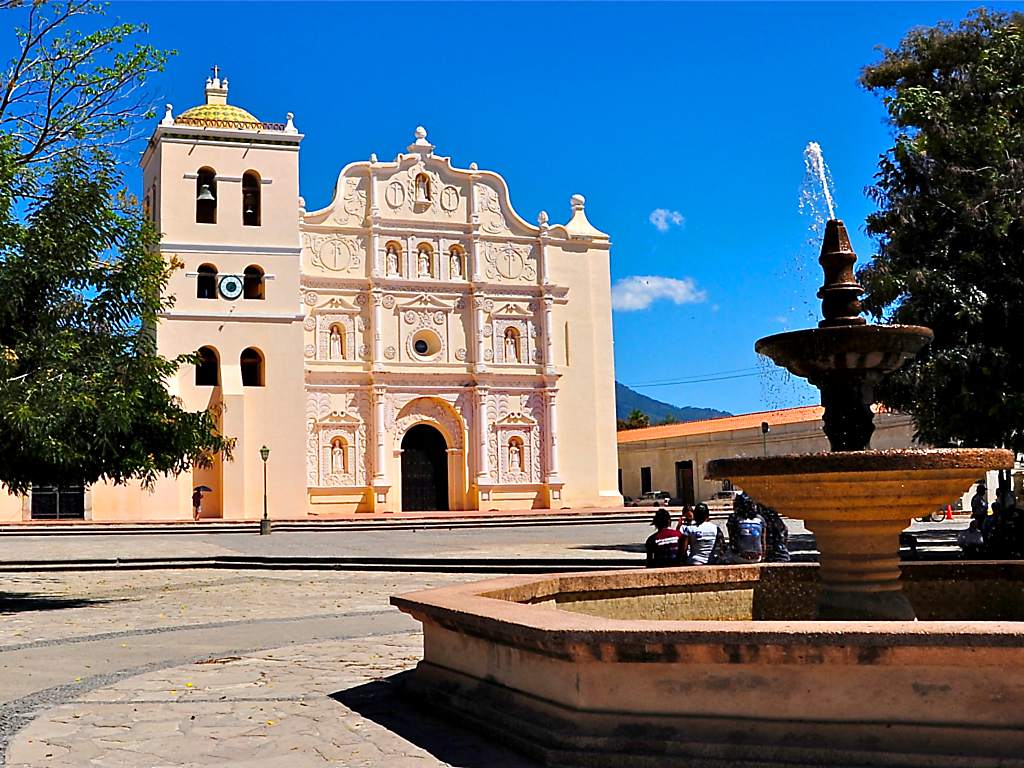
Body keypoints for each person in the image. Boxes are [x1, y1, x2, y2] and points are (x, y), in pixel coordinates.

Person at [726, 493, 766, 564]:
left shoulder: (734, 518)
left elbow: (732, 539)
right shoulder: (760, 519)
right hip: (757, 557)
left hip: (741, 557)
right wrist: (762, 557)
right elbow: (763, 541)